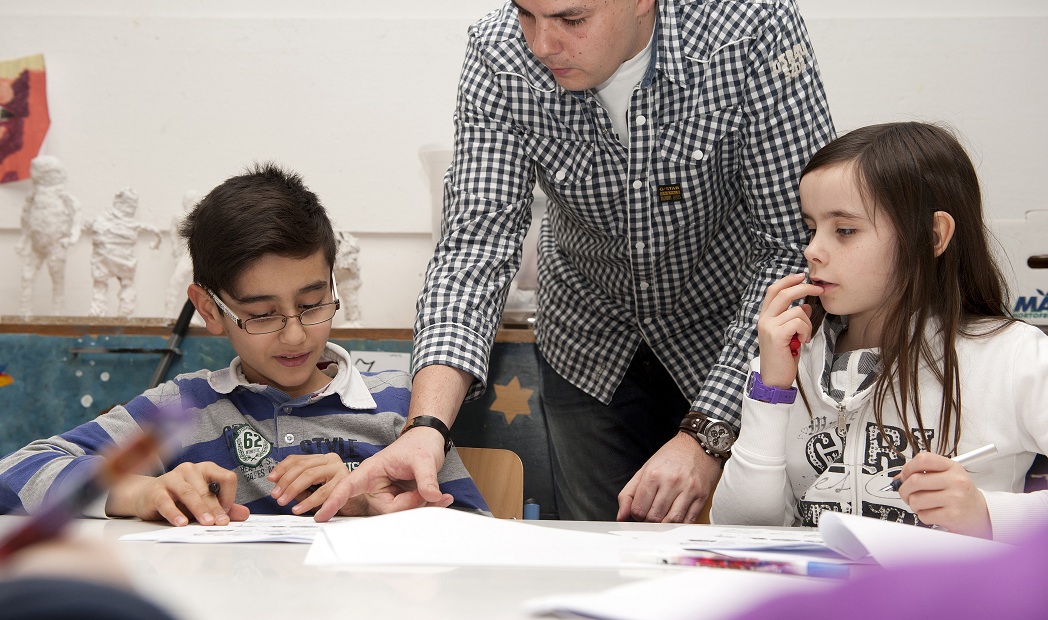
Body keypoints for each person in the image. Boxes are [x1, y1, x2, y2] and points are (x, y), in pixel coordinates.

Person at [310, 0, 835, 523]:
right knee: (596, 548)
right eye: (526, 14)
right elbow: (474, 248)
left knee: (732, 548)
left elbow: (791, 246)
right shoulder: (499, 51)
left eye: (571, 19)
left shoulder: (750, 27)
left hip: (733, 335)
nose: (542, 45)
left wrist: (708, 432)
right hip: (589, 342)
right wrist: (426, 427)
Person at [0, 163, 487, 526]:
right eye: (261, 315)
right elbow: (17, 473)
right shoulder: (179, 410)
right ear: (210, 310)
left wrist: (367, 507)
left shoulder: (405, 407)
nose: (295, 334)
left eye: (313, 303)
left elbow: (475, 531)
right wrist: (140, 492)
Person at [710, 122, 1048, 544]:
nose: (812, 250)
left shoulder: (1014, 356)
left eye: (844, 230)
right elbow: (738, 529)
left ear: (933, 235)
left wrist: (987, 513)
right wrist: (771, 390)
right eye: (811, 228)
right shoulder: (793, 359)